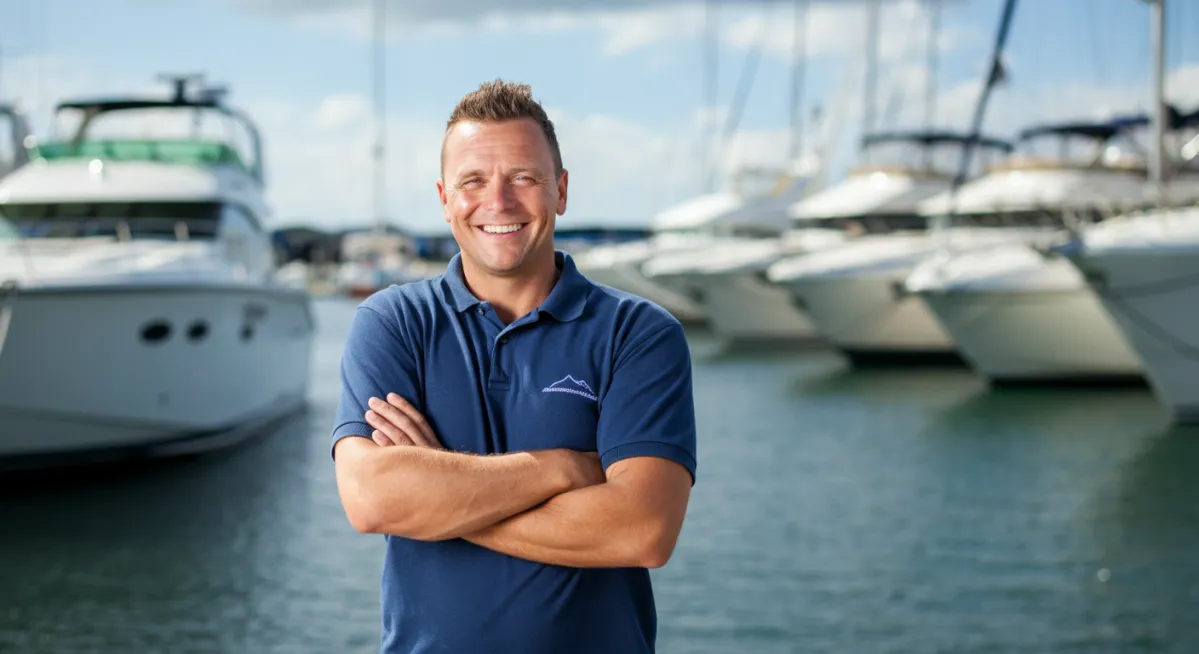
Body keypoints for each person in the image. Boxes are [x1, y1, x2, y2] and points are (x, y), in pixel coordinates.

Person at [330, 79, 698, 654]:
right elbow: (372, 500)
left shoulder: (639, 333)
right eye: (472, 181)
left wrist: (437, 498)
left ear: (561, 191)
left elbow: (642, 530)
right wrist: (560, 469)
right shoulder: (393, 322)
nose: (497, 202)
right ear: (444, 198)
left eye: (523, 178)